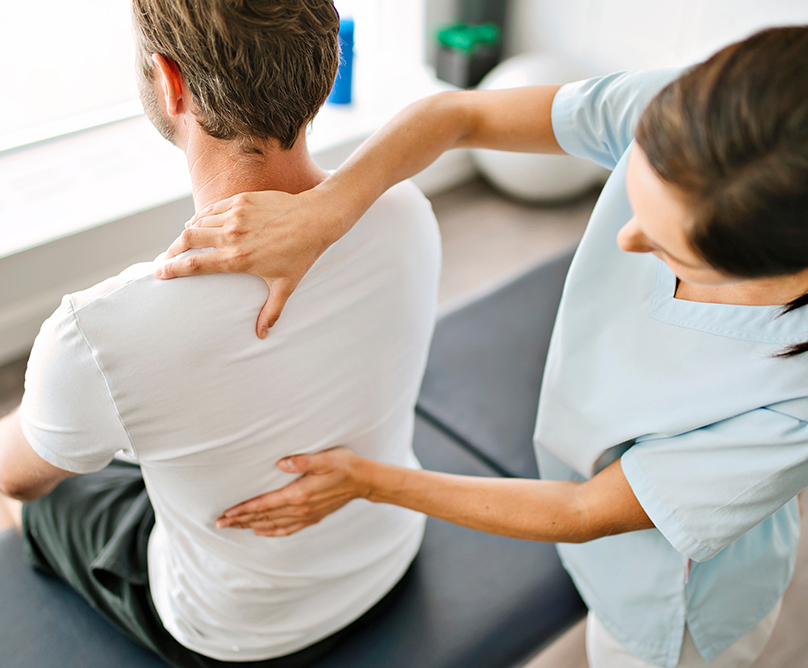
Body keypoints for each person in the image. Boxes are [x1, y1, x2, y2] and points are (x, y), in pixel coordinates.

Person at [157, 25, 808, 668]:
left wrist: (366, 480)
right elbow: (458, 114)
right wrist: (327, 210)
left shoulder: (793, 401)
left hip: (671, 601)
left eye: (669, 249)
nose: (626, 239)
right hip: (585, 478)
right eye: (633, 195)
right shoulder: (690, 117)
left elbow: (585, 510)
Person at [0, 0, 441, 666]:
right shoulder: (406, 210)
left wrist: (55, 403)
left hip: (239, 635)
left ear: (169, 82)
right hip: (389, 552)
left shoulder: (97, 335)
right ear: (327, 69)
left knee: (41, 486)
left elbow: (19, 478)